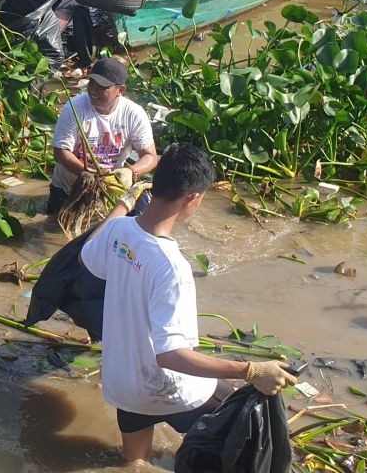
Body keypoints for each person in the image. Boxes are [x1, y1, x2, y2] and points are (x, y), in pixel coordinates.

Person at [80, 144, 298, 466]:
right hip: (167, 389)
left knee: (134, 464)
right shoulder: (172, 267)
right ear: (192, 198)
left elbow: (87, 252)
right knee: (244, 428)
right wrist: (250, 371)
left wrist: (124, 203)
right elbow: (170, 355)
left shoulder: (117, 229)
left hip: (125, 385)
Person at [49, 57, 159, 217]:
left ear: (121, 90)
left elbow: (150, 156)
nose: (93, 91)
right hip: (68, 190)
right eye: (92, 83)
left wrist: (131, 172)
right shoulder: (74, 107)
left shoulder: (134, 114)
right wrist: (91, 174)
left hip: (109, 192)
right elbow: (60, 153)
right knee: (54, 227)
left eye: (102, 87)